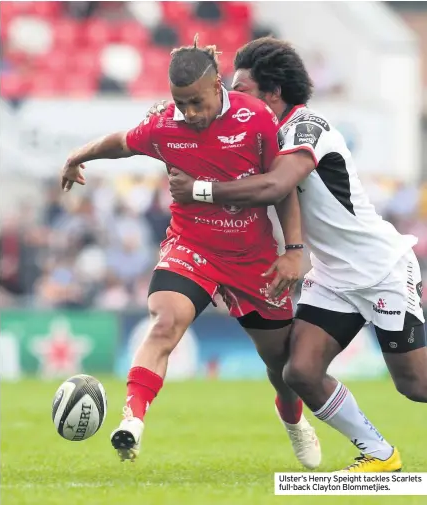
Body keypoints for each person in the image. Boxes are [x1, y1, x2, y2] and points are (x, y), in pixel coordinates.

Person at [167, 37, 427, 472]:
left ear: (274, 93)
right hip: (332, 278)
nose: (232, 97)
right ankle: (381, 456)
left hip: (380, 268)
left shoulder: (309, 127)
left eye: (242, 88)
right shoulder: (255, 136)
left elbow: (274, 187)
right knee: (300, 371)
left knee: (416, 384)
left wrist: (200, 190)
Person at [60, 37, 321, 468]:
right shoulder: (164, 125)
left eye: (197, 102)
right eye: (182, 104)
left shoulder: (255, 117)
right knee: (165, 323)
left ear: (218, 85)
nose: (191, 113)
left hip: (252, 257)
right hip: (191, 246)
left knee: (281, 364)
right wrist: (76, 155)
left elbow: (282, 189)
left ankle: (293, 420)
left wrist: (293, 250)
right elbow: (121, 141)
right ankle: (132, 420)